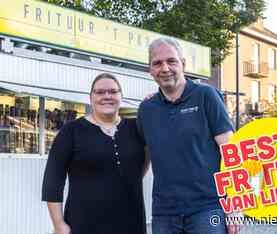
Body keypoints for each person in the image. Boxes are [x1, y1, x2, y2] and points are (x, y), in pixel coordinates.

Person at [137, 38, 236, 234]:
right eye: (157, 63)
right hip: (164, 214)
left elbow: (231, 151)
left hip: (207, 209)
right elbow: (145, 157)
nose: (165, 68)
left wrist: (234, 204)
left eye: (171, 61)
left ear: (183, 64)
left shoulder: (206, 95)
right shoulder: (147, 109)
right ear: (150, 70)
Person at [42, 73, 147, 234]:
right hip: (84, 224)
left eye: (113, 91)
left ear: (121, 96)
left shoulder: (136, 128)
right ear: (91, 97)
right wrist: (58, 224)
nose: (107, 96)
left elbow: (141, 165)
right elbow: (53, 180)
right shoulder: (71, 131)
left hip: (131, 223)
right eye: (100, 92)